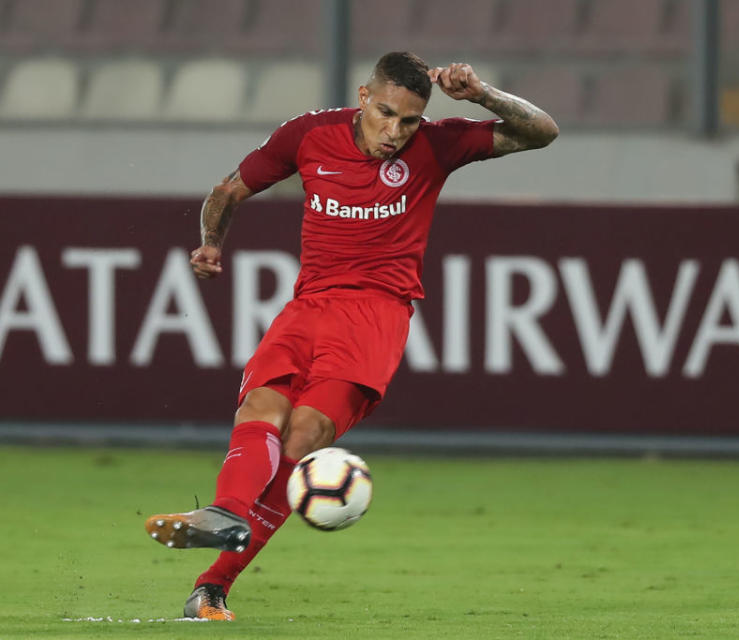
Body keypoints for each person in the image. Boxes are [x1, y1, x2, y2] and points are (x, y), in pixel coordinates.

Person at [144, 51, 558, 620]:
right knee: (260, 410)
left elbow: (542, 133)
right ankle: (225, 516)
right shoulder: (310, 135)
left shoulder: (437, 145)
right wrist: (211, 242)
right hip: (308, 305)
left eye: (409, 120)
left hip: (377, 314)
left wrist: (482, 94)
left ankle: (212, 586)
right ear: (364, 97)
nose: (395, 131)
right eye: (386, 113)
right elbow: (229, 189)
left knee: (303, 436)